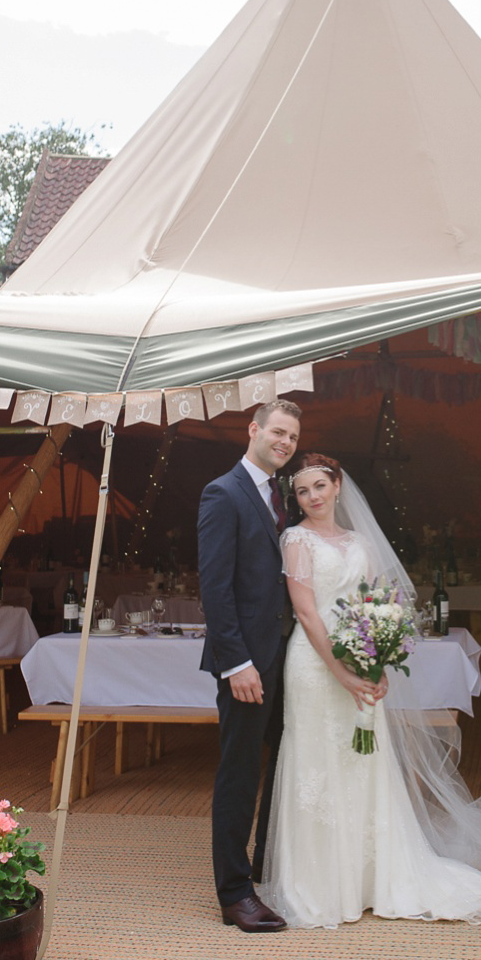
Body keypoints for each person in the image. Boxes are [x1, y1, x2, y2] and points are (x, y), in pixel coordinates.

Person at [259, 452, 481, 930]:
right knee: (318, 760)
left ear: (337, 486)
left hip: (361, 655)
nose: (312, 497)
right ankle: (323, 885)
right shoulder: (295, 539)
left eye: (320, 486)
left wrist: (377, 661)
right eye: (302, 491)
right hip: (314, 665)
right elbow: (306, 611)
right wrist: (340, 670)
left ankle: (370, 880)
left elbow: (378, 603)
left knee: (364, 761)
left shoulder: (361, 542)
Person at [196, 398, 304, 932]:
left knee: (285, 760)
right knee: (240, 773)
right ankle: (235, 893)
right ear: (254, 430)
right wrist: (235, 663)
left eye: (292, 438)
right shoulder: (223, 492)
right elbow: (215, 589)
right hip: (246, 665)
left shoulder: (280, 494)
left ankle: (264, 863)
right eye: (277, 433)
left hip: (286, 659)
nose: (284, 443)